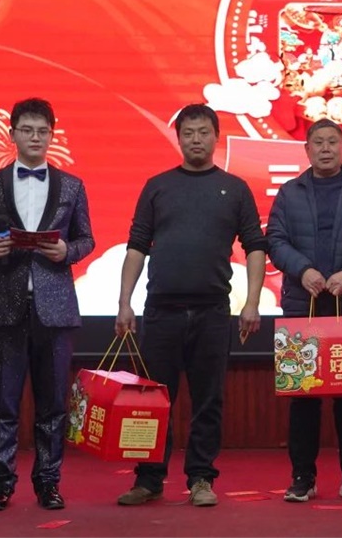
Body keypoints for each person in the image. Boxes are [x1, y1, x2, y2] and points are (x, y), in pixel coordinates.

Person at [114, 104, 267, 508]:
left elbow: (255, 246)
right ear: (178, 138)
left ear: (216, 137)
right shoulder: (157, 186)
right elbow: (137, 246)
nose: (196, 140)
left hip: (212, 311)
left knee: (208, 400)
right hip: (161, 310)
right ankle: (149, 479)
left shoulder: (235, 188)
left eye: (203, 132)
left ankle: (201, 478)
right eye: (188, 133)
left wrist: (252, 303)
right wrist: (124, 303)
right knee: (152, 400)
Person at [0, 97, 95, 512]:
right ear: (13, 134)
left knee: (53, 404)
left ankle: (48, 484)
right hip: (4, 306)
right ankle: (1, 485)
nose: (35, 137)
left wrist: (68, 251)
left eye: (42, 131)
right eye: (27, 130)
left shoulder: (72, 186)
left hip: (55, 309)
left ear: (52, 135)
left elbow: (87, 239)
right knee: (3, 403)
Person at [266, 119, 342, 504]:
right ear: (306, 149)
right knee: (303, 396)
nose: (325, 148)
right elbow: (275, 239)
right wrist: (302, 270)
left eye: (332, 142)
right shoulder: (289, 192)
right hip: (302, 307)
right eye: (317, 142)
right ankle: (302, 477)